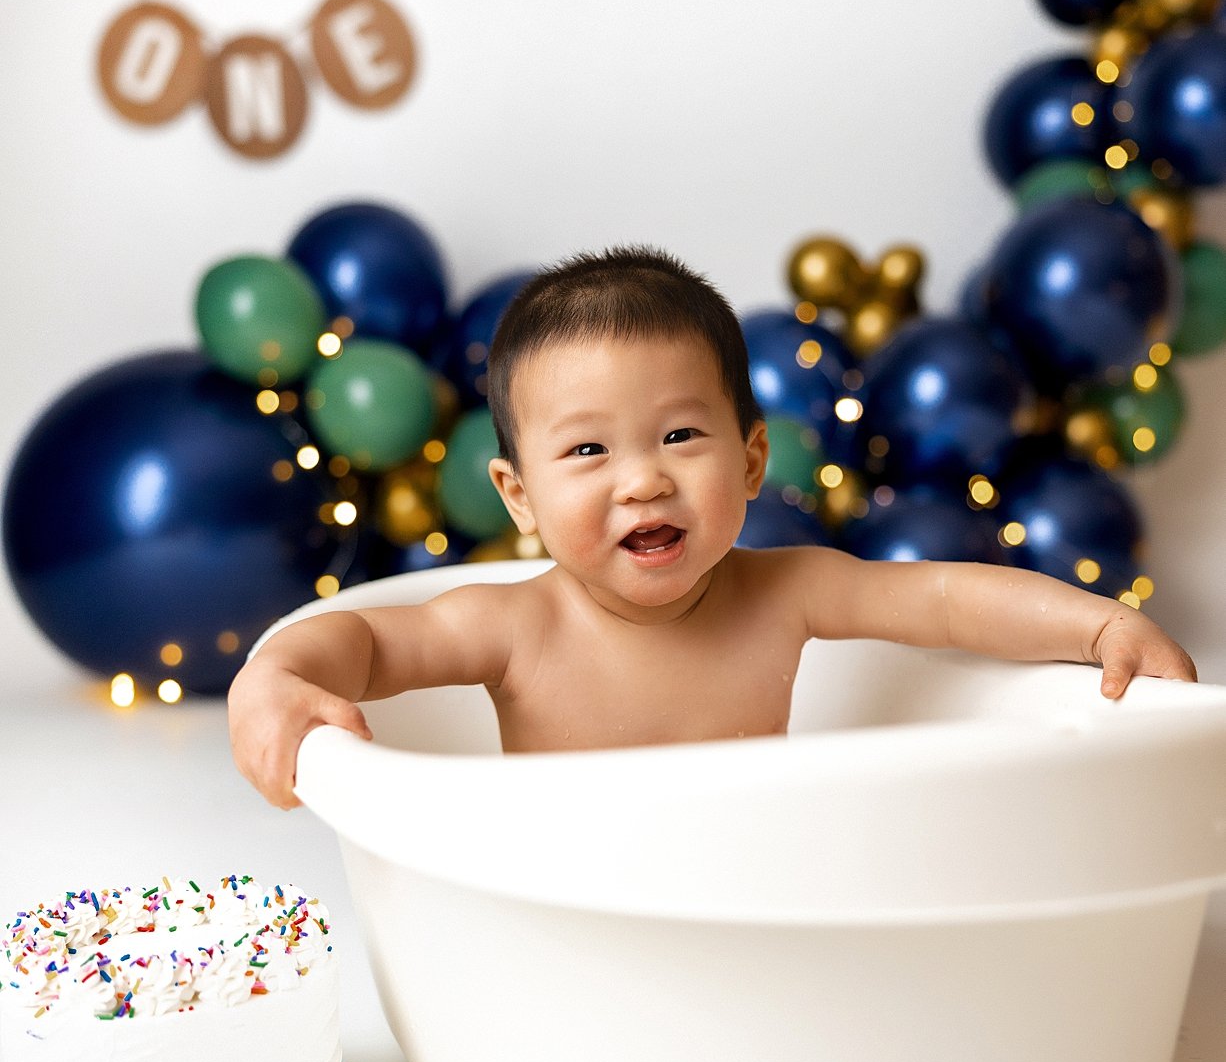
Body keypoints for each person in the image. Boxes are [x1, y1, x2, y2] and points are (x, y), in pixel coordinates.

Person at [228, 246, 1197, 809]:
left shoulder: (785, 592)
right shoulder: (511, 627)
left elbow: (940, 595)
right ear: (516, 497)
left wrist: (1094, 627)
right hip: (570, 909)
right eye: (586, 453)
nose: (642, 481)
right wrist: (277, 679)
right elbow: (363, 635)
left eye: (679, 436)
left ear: (747, 459)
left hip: (742, 895)